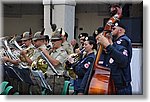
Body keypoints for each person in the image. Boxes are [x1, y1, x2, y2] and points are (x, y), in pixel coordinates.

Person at [96, 22, 132, 95]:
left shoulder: (122, 44)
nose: (111, 30)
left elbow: (123, 61)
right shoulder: (103, 52)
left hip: (121, 88)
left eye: (114, 28)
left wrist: (108, 46)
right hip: (110, 87)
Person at [40, 29, 68, 95]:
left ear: (61, 41)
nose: (53, 42)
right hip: (49, 77)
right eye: (52, 40)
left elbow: (55, 63)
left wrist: (46, 54)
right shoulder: (51, 51)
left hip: (57, 79)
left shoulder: (63, 52)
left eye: (55, 40)